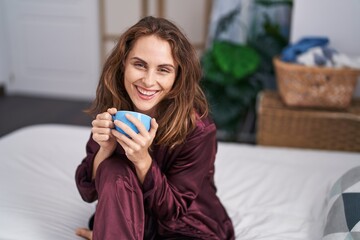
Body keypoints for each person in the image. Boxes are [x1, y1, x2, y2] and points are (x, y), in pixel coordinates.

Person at [75, 16, 235, 240]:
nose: (149, 81)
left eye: (163, 70)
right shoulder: (115, 112)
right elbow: (89, 192)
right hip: (129, 216)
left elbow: (172, 211)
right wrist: (105, 149)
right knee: (112, 167)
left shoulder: (198, 129)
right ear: (123, 64)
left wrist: (143, 161)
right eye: (139, 64)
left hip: (185, 227)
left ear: (178, 76)